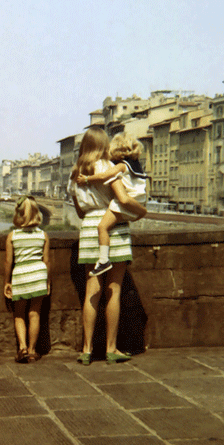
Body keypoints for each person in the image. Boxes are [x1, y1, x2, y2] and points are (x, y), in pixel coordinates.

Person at [67, 127, 146, 365]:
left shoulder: (74, 175)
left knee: (92, 291)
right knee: (114, 290)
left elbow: (80, 212)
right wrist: (142, 211)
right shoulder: (107, 167)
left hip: (90, 228)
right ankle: (112, 349)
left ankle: (87, 349)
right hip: (114, 225)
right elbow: (122, 197)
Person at [76, 132, 148, 276]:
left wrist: (87, 180)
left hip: (125, 202)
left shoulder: (121, 166)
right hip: (138, 201)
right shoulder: (137, 166)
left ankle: (103, 260)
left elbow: (104, 176)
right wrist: (142, 211)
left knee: (102, 227)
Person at [3, 196, 50, 363]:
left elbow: (8, 261)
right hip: (38, 274)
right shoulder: (43, 235)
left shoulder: (12, 235)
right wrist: (47, 281)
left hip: (21, 275)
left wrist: (7, 282)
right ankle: (32, 350)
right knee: (34, 313)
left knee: (19, 314)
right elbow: (46, 261)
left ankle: (22, 348)